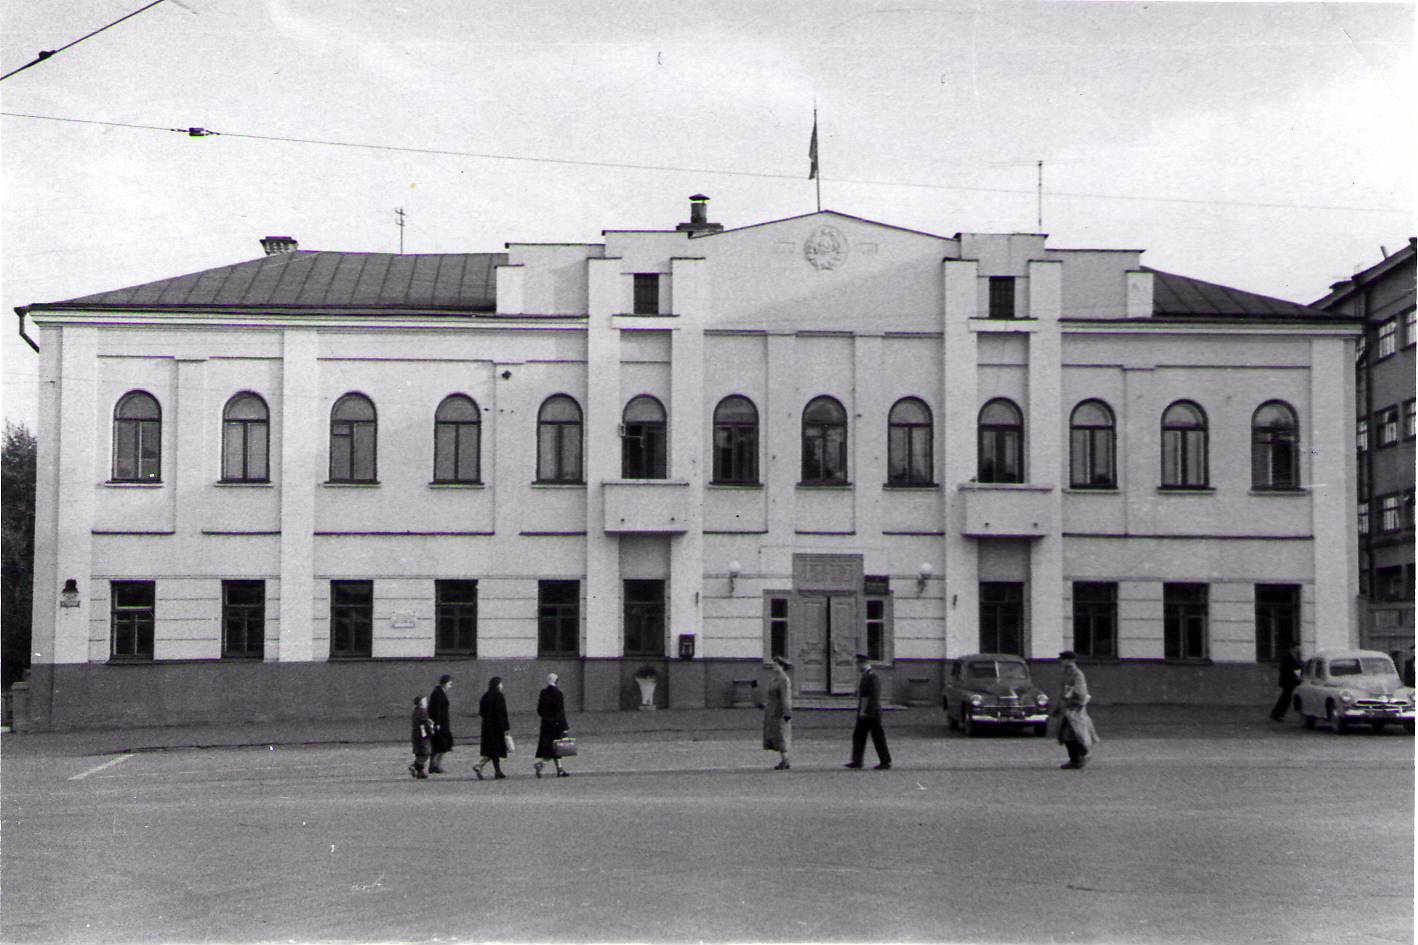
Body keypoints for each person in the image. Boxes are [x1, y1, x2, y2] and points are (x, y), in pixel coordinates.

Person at [1051, 651, 1099, 770]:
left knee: (1075, 734)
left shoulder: (1077, 674)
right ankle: (1076, 758)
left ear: (1069, 660)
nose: (1061, 661)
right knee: (1067, 735)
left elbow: (1080, 691)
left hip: (1074, 709)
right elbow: (1062, 692)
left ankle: (1081, 755)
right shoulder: (1066, 673)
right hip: (1066, 708)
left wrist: (1072, 699)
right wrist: (1057, 707)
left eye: (1063, 659)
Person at [845, 653, 891, 770]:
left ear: (863, 663)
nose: (857, 666)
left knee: (878, 737)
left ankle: (885, 761)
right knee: (858, 736)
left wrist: (867, 711)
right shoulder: (866, 676)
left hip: (871, 713)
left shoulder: (871, 676)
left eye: (858, 663)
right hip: (865, 712)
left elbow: (874, 696)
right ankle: (857, 760)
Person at [534, 672, 571, 779]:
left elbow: (539, 709)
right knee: (555, 748)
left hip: (545, 724)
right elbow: (560, 712)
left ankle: (559, 769)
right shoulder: (558, 693)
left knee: (553, 747)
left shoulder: (543, 692)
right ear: (556, 681)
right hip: (556, 724)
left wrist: (546, 717)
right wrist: (564, 728)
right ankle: (541, 764)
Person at [474, 676, 511, 780]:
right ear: (497, 685)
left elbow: (481, 712)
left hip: (487, 727)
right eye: (501, 683)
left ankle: (497, 771)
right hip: (497, 727)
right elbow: (503, 713)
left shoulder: (485, 696)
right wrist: (506, 727)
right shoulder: (499, 696)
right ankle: (480, 766)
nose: (502, 685)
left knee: (492, 750)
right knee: (495, 750)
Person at [763, 657, 793, 770]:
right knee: (775, 735)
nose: (773, 666)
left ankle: (786, 760)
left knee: (781, 735)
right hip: (772, 710)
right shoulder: (774, 679)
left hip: (779, 711)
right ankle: (784, 759)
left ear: (781, 666)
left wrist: (786, 712)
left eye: (776, 664)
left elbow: (785, 697)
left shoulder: (783, 679)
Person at [428, 674, 454, 773]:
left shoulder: (439, 692)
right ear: (445, 683)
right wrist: (437, 723)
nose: (450, 686)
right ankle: (435, 766)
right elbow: (436, 709)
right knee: (443, 744)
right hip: (441, 724)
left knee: (438, 745)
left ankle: (434, 765)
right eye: (450, 684)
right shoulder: (438, 693)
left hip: (442, 723)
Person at [1270, 642, 1303, 722]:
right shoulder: (1287, 657)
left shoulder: (1294, 656)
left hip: (1290, 681)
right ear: (1292, 648)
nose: (1298, 649)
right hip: (1288, 681)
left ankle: (1277, 714)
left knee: (1285, 698)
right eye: (1297, 647)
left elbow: (1296, 666)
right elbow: (1287, 668)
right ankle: (1277, 714)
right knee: (1285, 698)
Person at [409, 695, 433, 780]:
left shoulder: (415, 711)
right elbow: (425, 723)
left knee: (419, 753)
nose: (426, 702)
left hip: (415, 734)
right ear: (421, 702)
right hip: (423, 735)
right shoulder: (423, 711)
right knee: (425, 753)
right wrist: (431, 731)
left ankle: (420, 773)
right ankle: (414, 765)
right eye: (425, 701)